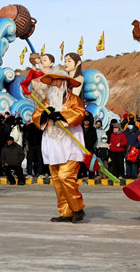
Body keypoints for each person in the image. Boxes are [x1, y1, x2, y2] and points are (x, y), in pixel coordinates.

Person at [32, 70, 87, 223]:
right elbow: (36, 116)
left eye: (57, 81)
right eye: (52, 82)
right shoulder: (46, 101)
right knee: (57, 179)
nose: (54, 85)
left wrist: (61, 115)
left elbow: (80, 114)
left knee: (65, 176)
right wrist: (45, 115)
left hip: (70, 144)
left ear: (65, 84)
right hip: (53, 144)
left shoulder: (74, 99)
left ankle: (78, 208)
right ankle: (66, 212)